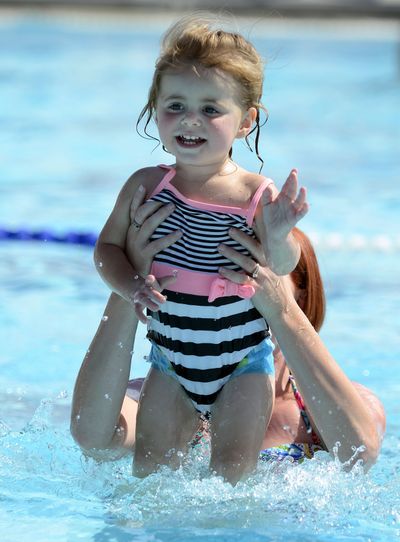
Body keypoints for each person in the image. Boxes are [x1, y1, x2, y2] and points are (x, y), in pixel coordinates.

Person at [92, 14, 309, 484]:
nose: (191, 119)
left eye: (211, 109)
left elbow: (283, 266)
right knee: (149, 476)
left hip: (243, 364)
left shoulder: (255, 194)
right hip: (170, 361)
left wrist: (280, 232)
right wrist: (131, 284)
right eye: (175, 105)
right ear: (154, 109)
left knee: (232, 479)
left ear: (247, 121)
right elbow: (107, 249)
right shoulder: (146, 186)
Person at [71, 192, 386, 476]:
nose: (221, 291)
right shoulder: (161, 396)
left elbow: (358, 456)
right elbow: (93, 439)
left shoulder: (327, 408)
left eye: (245, 269)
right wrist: (132, 287)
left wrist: (282, 311)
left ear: (299, 294)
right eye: (207, 275)